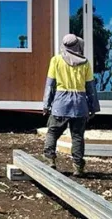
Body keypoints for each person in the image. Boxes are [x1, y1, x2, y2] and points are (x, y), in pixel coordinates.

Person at [42, 34, 100, 176]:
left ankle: (50, 160)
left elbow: (50, 85)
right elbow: (90, 87)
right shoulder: (85, 63)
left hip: (60, 103)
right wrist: (93, 107)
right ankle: (78, 167)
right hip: (80, 105)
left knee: (53, 131)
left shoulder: (56, 60)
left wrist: (46, 104)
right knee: (77, 136)